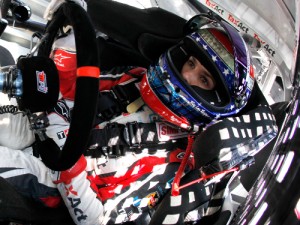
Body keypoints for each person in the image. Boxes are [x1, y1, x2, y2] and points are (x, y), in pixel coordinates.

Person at [0, 1, 262, 225]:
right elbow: (72, 88)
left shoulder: (177, 161)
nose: (187, 75)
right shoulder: (135, 79)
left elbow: (98, 220)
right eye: (191, 63)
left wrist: (66, 160)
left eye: (203, 79)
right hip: (41, 128)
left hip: (55, 181)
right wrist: (68, 39)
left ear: (214, 99)